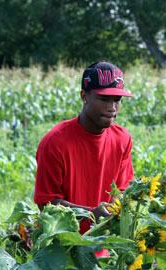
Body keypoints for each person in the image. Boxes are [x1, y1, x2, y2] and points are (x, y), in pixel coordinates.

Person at [33, 60, 134, 236]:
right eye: (103, 99)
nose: (112, 107)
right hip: (61, 245)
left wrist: (114, 211)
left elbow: (122, 190)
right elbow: (46, 203)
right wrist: (90, 214)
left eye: (117, 100)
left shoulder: (122, 139)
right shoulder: (55, 142)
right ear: (84, 96)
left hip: (105, 243)